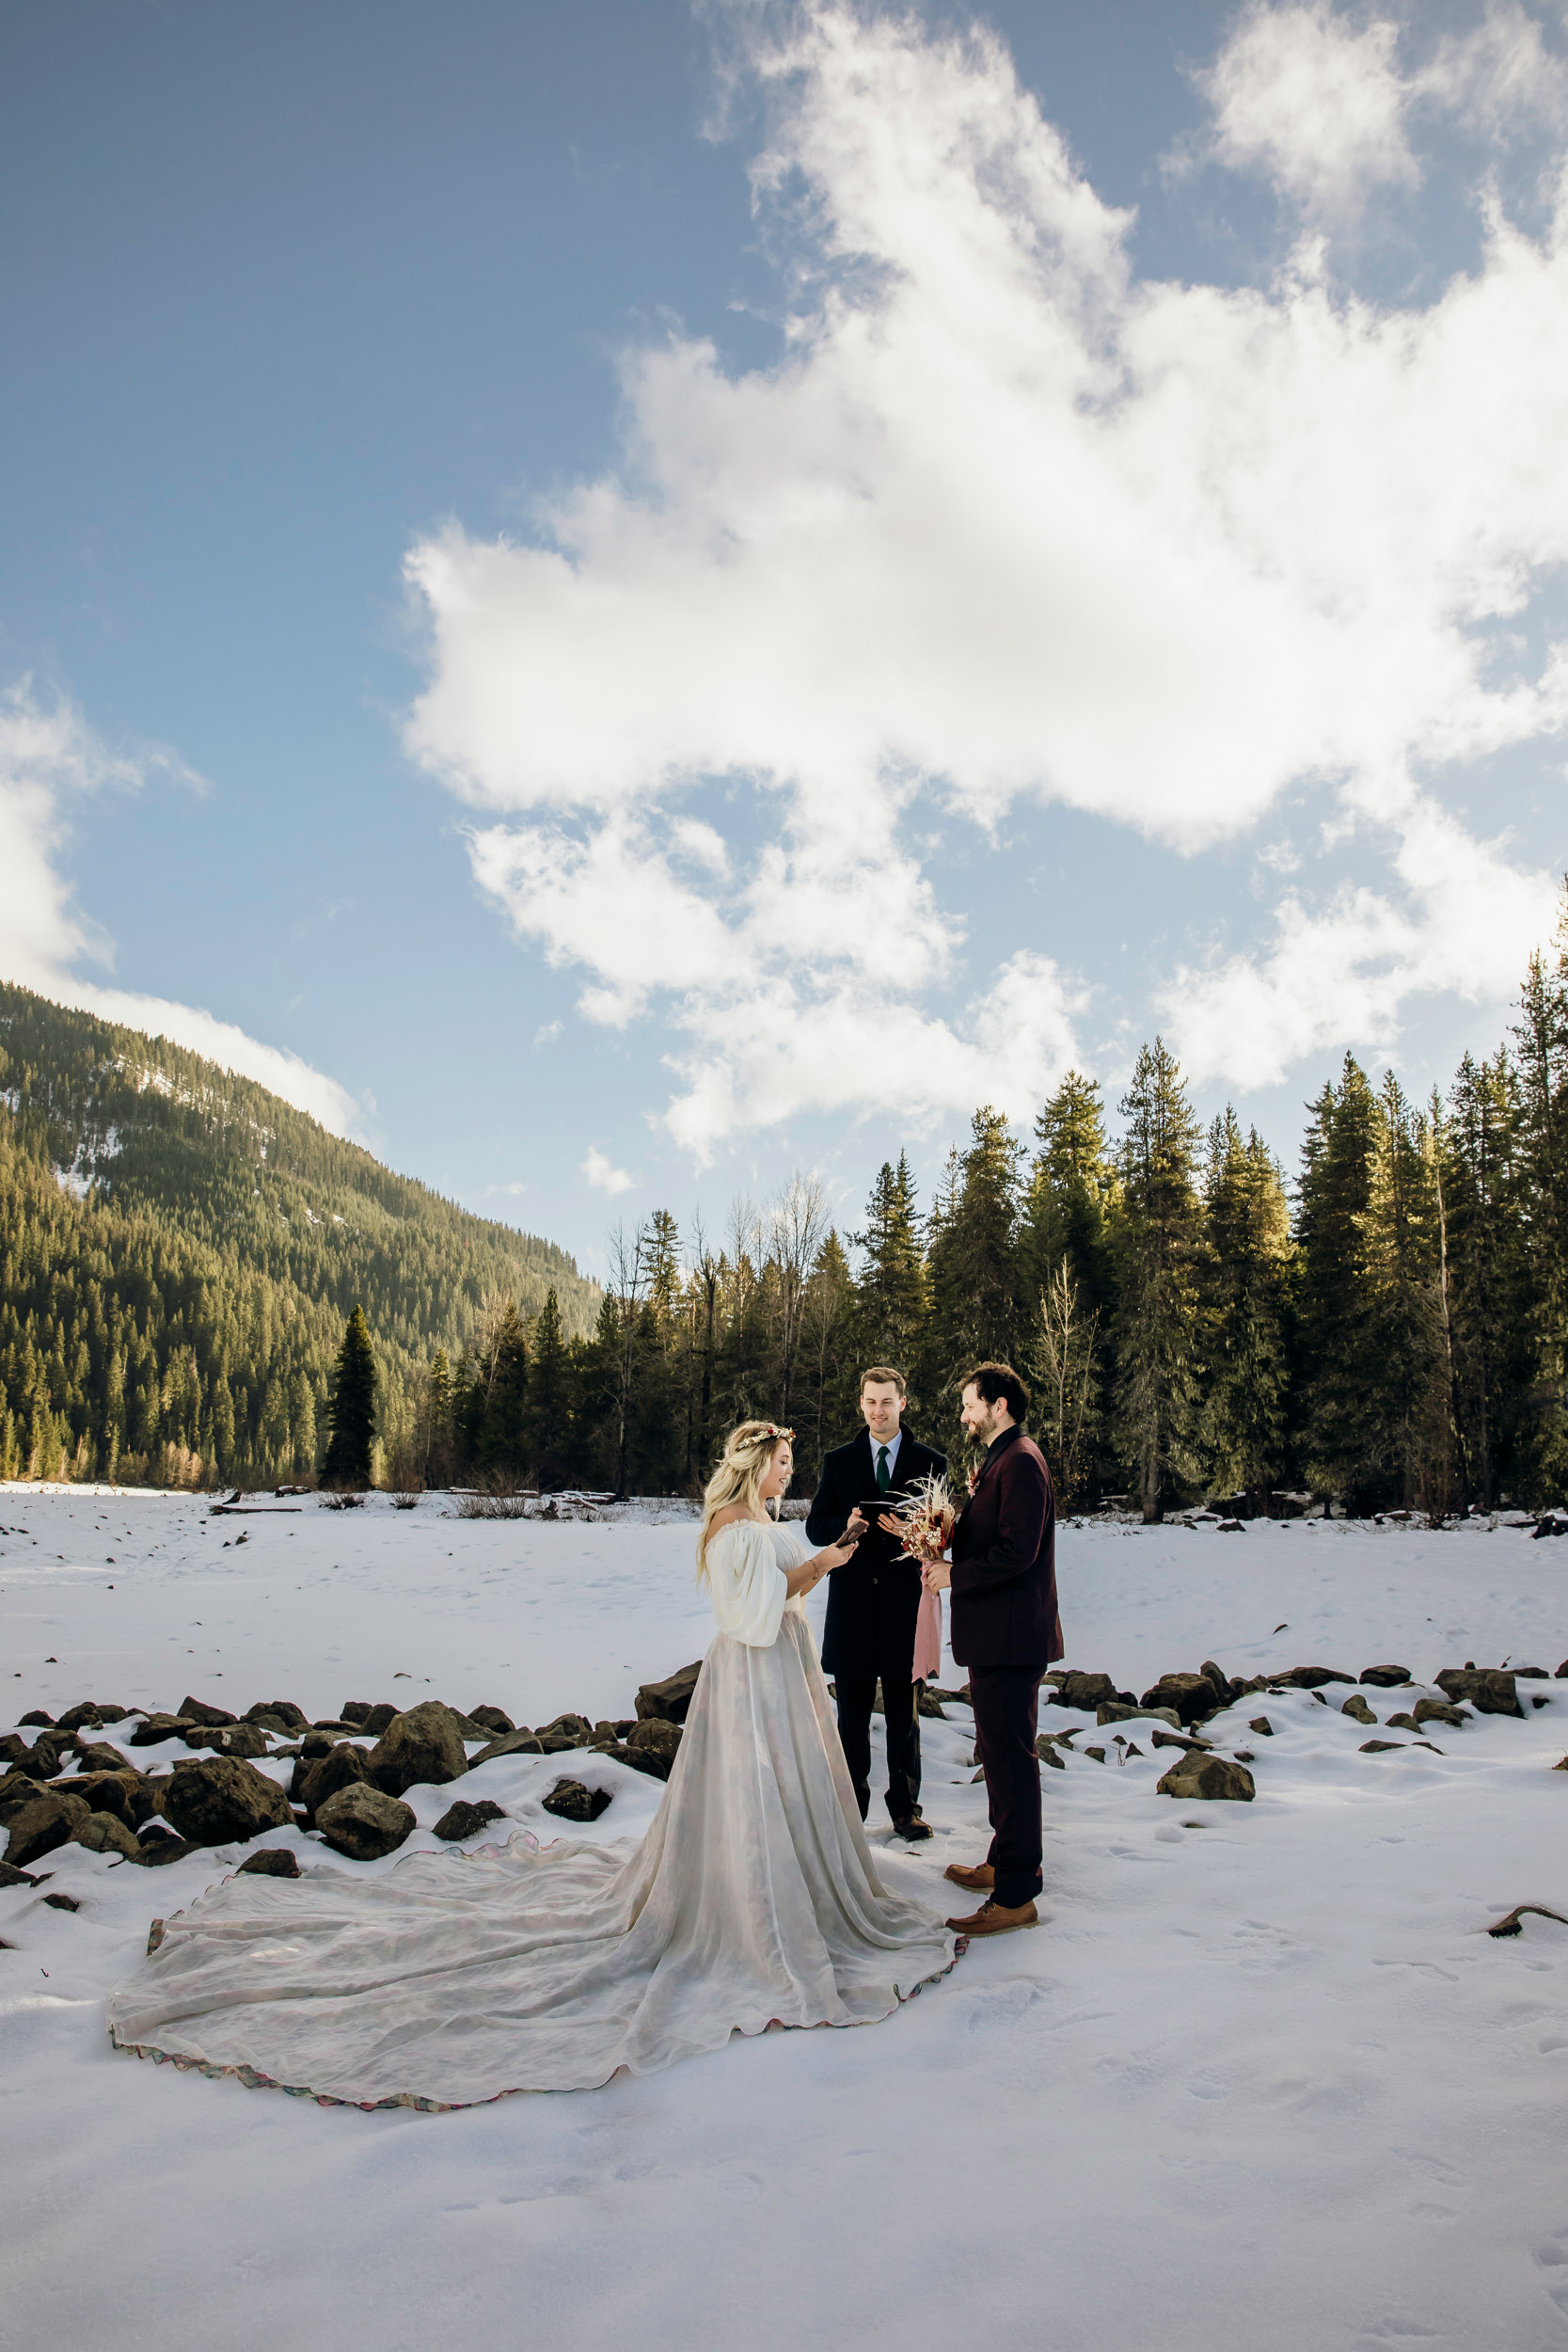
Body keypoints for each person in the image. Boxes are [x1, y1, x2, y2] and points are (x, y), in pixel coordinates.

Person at [107, 1422, 958, 2108]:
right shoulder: (733, 1533)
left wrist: (838, 1549)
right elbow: (751, 1614)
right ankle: (750, 1904)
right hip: (753, 1673)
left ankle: (790, 1886)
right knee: (750, 1790)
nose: (788, 1472)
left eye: (789, 1463)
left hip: (782, 1671)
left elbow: (794, 1583)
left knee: (779, 1791)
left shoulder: (761, 1527)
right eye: (780, 1462)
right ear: (751, 1469)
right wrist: (817, 1563)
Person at [920, 1362, 1063, 1939]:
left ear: (998, 1404)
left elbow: (1018, 1553)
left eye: (970, 1405)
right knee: (999, 1757)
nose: (964, 1416)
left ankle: (1017, 1894)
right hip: (998, 1637)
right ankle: (1003, 1864)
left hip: (1012, 1637)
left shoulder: (1022, 1461)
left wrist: (954, 1574)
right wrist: (948, 1528)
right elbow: (996, 1535)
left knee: (1012, 1761)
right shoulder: (1002, 1459)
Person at [805, 1366, 947, 1841]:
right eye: (870, 1402)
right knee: (851, 1719)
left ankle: (906, 1810)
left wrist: (913, 1533)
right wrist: (843, 1524)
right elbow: (815, 1528)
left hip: (906, 1607)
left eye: (886, 1402)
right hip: (852, 1609)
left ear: (902, 1403)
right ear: (860, 1403)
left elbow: (943, 1537)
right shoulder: (838, 1460)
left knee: (906, 1718)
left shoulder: (932, 1462)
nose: (877, 1411)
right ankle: (851, 1809)